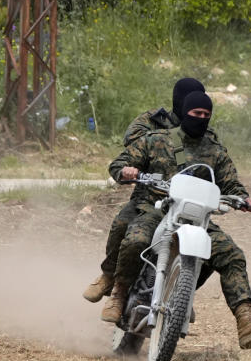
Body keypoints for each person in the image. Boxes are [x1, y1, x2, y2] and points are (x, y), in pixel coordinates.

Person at [103, 91, 251, 350]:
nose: (201, 118)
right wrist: (127, 170)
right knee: (136, 239)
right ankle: (119, 295)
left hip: (196, 218)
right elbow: (119, 163)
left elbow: (231, 183)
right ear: (184, 113)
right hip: (158, 209)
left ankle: (246, 322)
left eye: (206, 115)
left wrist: (243, 199)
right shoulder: (156, 140)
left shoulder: (215, 151)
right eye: (196, 113)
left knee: (232, 254)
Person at [83, 78, 213, 303]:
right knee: (123, 225)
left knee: (212, 249)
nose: (196, 114)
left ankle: (180, 294)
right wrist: (137, 165)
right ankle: (108, 276)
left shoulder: (204, 134)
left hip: (186, 201)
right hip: (150, 192)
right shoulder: (152, 121)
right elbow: (133, 145)